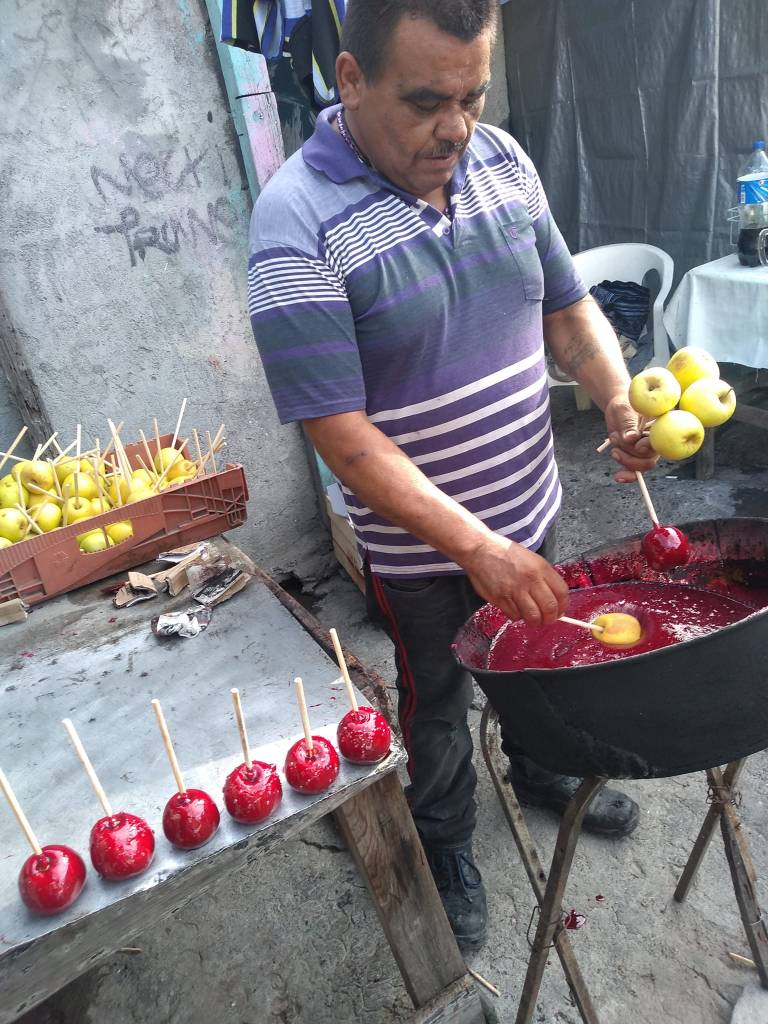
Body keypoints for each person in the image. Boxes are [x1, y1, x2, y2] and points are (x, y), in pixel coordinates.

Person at [247, 0, 658, 952]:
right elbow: (341, 437)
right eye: (427, 100)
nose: (457, 128)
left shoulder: (502, 161)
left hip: (532, 504)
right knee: (438, 705)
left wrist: (618, 396)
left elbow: (568, 306)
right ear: (350, 80)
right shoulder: (293, 227)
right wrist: (476, 549)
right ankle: (444, 842)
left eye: (472, 95)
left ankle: (543, 772)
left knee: (539, 659)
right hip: (423, 556)